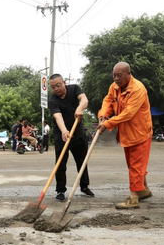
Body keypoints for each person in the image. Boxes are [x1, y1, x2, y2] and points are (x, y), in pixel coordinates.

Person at [96, 62, 153, 209]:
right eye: (114, 75)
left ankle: (134, 198)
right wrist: (103, 115)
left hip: (140, 133)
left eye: (119, 75)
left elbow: (128, 113)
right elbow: (108, 101)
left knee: (136, 165)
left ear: (129, 74)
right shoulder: (114, 87)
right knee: (134, 165)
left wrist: (108, 124)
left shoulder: (138, 89)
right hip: (127, 133)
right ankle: (143, 190)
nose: (116, 78)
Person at [48, 74, 93, 201]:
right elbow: (58, 117)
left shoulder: (74, 89)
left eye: (58, 85)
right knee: (60, 163)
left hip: (78, 134)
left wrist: (79, 108)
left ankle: (84, 186)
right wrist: (64, 131)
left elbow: (84, 99)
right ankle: (60, 190)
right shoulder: (53, 100)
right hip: (61, 135)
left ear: (64, 82)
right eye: (53, 87)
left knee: (82, 162)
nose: (56, 89)